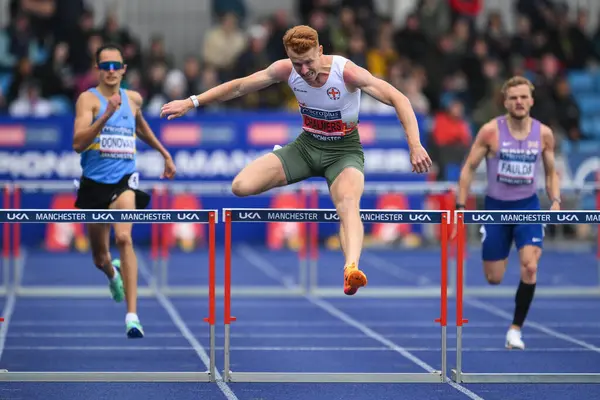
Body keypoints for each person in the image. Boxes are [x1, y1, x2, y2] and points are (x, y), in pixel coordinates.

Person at [161, 25, 431, 295]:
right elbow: (240, 87)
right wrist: (192, 102)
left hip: (344, 151)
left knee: (348, 203)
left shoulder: (346, 72)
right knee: (240, 186)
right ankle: (288, 170)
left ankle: (351, 269)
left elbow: (400, 99)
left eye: (308, 62)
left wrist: (415, 144)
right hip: (306, 146)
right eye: (296, 63)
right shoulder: (286, 70)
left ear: (321, 51)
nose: (303, 70)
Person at [72, 43, 176, 338]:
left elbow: (140, 128)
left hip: (124, 180)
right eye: (105, 66)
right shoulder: (87, 101)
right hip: (94, 185)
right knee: (99, 258)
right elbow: (78, 143)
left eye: (116, 66)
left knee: (124, 237)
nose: (111, 71)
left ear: (124, 69)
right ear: (97, 70)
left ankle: (132, 316)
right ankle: (112, 273)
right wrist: (105, 116)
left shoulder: (133, 99)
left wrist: (164, 154)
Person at [455, 76, 560, 349]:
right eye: (514, 98)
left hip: (528, 207)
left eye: (524, 97)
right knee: (494, 278)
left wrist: (556, 200)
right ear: (505, 102)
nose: (519, 102)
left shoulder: (544, 134)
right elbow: (468, 168)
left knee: (530, 266)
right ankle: (496, 243)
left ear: (531, 100)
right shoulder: (491, 131)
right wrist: (461, 206)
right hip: (496, 209)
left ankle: (515, 329)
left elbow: (551, 173)